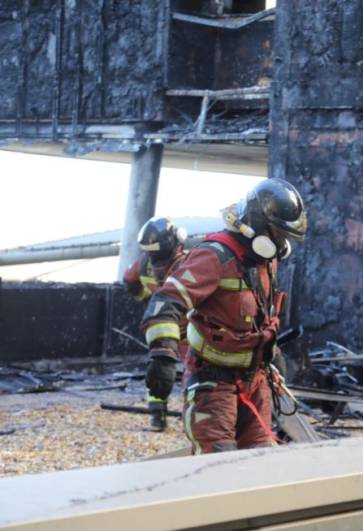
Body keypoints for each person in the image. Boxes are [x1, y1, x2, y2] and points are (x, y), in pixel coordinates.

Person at [141, 178, 307, 454]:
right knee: (218, 468)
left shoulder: (265, 259)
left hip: (256, 381)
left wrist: (271, 351)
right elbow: (166, 301)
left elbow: (261, 314)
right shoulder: (214, 256)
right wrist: (162, 356)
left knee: (258, 465)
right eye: (279, 234)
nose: (282, 244)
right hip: (213, 383)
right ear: (258, 225)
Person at [122, 216, 188, 430]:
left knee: (158, 369)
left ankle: (157, 417)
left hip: (160, 327)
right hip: (188, 328)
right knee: (194, 371)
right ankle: (195, 417)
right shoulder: (189, 263)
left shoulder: (144, 263)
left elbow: (130, 280)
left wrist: (145, 298)